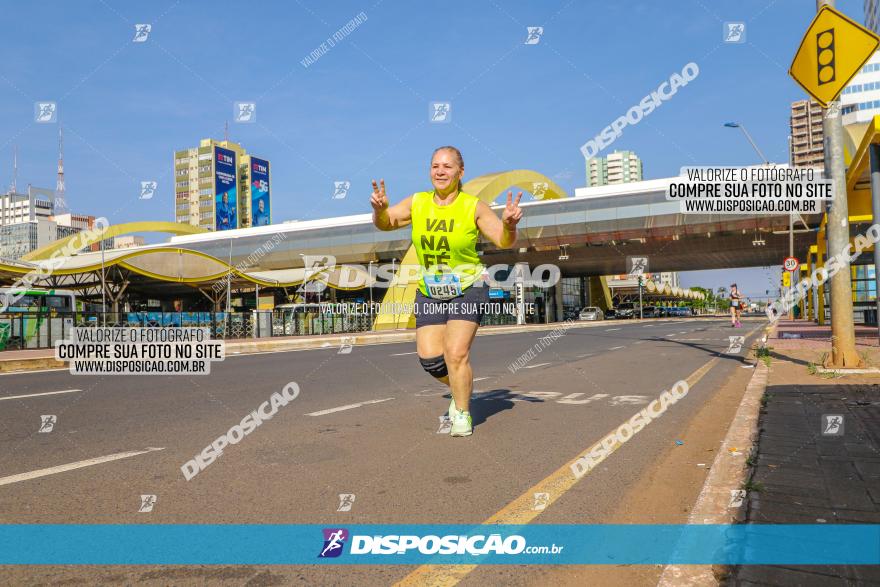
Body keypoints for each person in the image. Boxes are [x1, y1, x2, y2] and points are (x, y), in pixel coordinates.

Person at [370, 146, 523, 437]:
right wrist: (378, 210)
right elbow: (386, 223)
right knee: (430, 359)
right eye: (435, 166)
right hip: (430, 289)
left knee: (456, 353)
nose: (440, 171)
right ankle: (459, 387)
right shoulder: (418, 203)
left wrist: (510, 226)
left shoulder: (473, 206)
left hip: (469, 286)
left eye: (447, 166)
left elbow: (504, 241)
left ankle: (462, 412)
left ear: (460, 172)